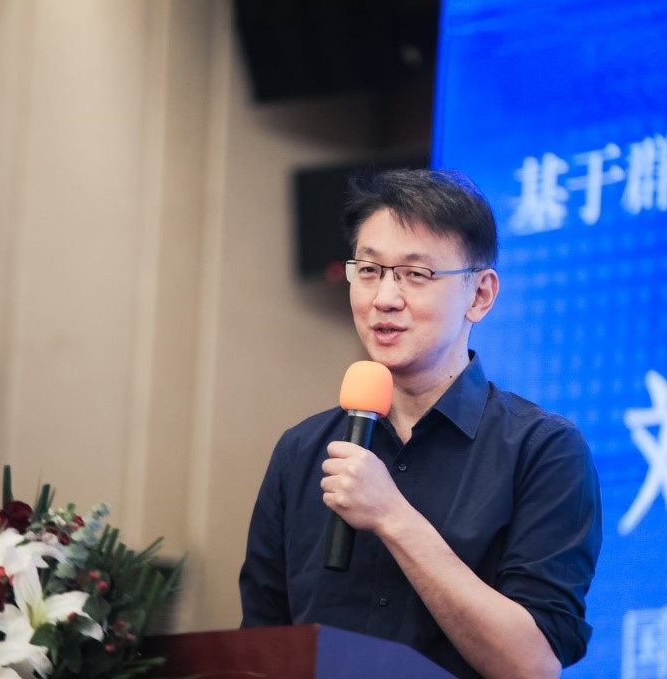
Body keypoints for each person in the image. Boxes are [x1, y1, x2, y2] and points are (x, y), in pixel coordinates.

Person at [239, 168, 602, 679]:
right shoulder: (301, 451)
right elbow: (260, 647)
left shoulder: (543, 450)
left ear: (480, 295)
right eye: (369, 270)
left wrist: (392, 517)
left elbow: (532, 665)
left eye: (415, 274)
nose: (384, 298)